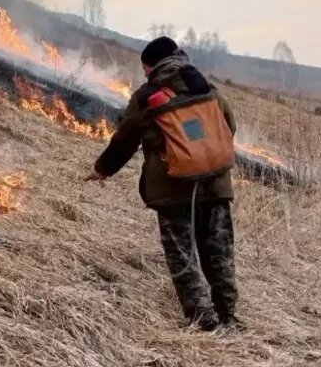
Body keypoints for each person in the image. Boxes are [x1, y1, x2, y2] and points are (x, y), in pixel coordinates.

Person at [84, 36, 240, 331]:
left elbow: (125, 140)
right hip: (216, 185)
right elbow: (229, 126)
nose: (144, 73)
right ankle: (228, 314)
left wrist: (102, 169)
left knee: (183, 255)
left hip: (174, 190)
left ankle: (203, 321)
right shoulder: (207, 88)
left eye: (144, 68)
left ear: (151, 66)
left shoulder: (147, 97)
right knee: (219, 252)